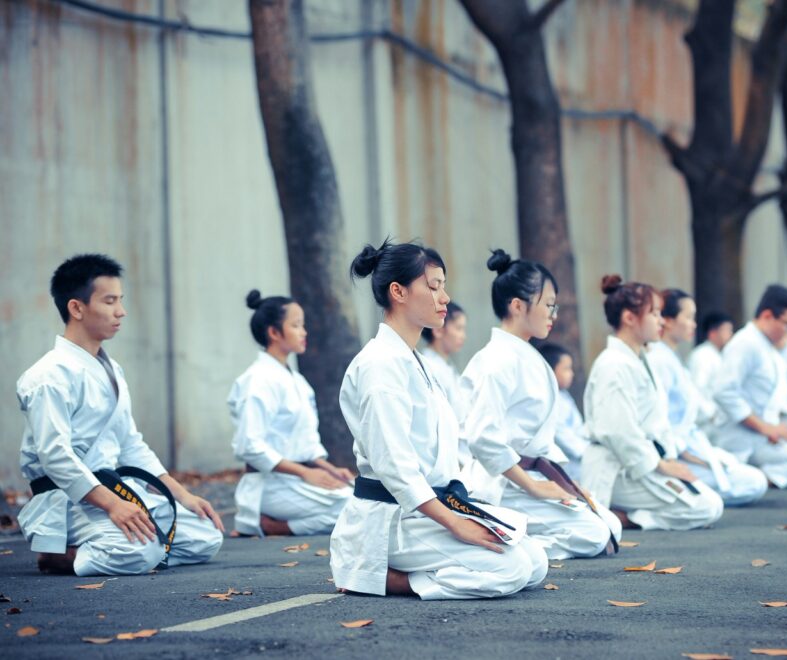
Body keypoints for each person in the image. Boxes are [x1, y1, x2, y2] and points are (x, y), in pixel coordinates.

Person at [330, 240, 548, 599]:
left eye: (443, 286)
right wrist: (455, 524)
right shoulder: (380, 366)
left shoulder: (414, 361)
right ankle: (379, 576)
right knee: (512, 569)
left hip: (430, 508)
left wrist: (464, 512)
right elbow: (396, 468)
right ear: (398, 291)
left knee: (535, 561)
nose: (444, 297)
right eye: (433, 286)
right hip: (394, 517)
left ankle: (410, 567)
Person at [17, 254, 223, 576]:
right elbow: (54, 455)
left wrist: (182, 496)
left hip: (116, 490)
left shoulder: (111, 369)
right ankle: (59, 556)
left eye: (120, 301)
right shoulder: (48, 376)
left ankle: (129, 551)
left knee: (205, 536)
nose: (121, 312)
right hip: (72, 500)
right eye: (110, 301)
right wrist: (112, 504)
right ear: (76, 308)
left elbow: (130, 444)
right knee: (143, 549)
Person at [459, 250, 620, 560]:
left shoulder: (526, 355)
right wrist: (534, 488)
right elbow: (483, 438)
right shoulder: (496, 361)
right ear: (518, 306)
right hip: (505, 483)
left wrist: (565, 484)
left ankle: (518, 538)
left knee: (610, 525)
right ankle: (509, 547)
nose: (553, 314)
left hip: (533, 474)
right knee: (595, 534)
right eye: (548, 305)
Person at [581, 276, 724, 531]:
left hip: (641, 461)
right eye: (654, 313)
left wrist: (667, 460)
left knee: (711, 502)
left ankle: (626, 514)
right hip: (618, 469)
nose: (661, 320)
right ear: (629, 318)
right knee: (706, 507)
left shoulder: (639, 359)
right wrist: (660, 465)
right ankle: (625, 517)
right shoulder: (613, 365)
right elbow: (618, 432)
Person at [228, 290, 353, 537]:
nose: (304, 332)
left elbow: (303, 443)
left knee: (366, 497)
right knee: (354, 507)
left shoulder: (297, 381)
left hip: (296, 481)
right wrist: (306, 473)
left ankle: (278, 523)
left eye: (303, 325)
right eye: (296, 325)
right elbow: (249, 446)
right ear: (274, 333)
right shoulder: (257, 381)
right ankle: (274, 526)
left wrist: (329, 469)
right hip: (270, 485)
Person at [646, 289, 768, 506]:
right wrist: (683, 455)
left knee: (753, 480)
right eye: (689, 317)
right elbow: (658, 420)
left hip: (691, 441)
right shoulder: (659, 360)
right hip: (673, 452)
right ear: (669, 321)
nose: (694, 324)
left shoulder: (670, 358)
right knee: (750, 483)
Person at [712, 285, 787, 489]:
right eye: (786, 324)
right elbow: (723, 392)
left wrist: (776, 427)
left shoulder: (766, 346)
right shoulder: (746, 343)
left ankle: (756, 477)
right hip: (744, 439)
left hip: (763, 436)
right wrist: (765, 427)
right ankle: (754, 477)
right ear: (767, 315)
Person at [420, 301, 471, 464]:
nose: (463, 336)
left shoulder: (445, 365)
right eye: (458, 328)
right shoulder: (431, 367)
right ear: (438, 330)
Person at [539, 343, 589, 481]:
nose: (571, 374)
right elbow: (564, 437)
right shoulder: (548, 401)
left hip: (581, 461)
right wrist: (589, 453)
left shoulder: (564, 396)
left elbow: (579, 429)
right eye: (566, 369)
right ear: (550, 370)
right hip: (568, 469)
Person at [688, 311, 734, 393]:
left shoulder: (718, 354)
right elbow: (698, 388)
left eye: (731, 330)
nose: (730, 334)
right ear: (712, 333)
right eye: (726, 330)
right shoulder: (703, 355)